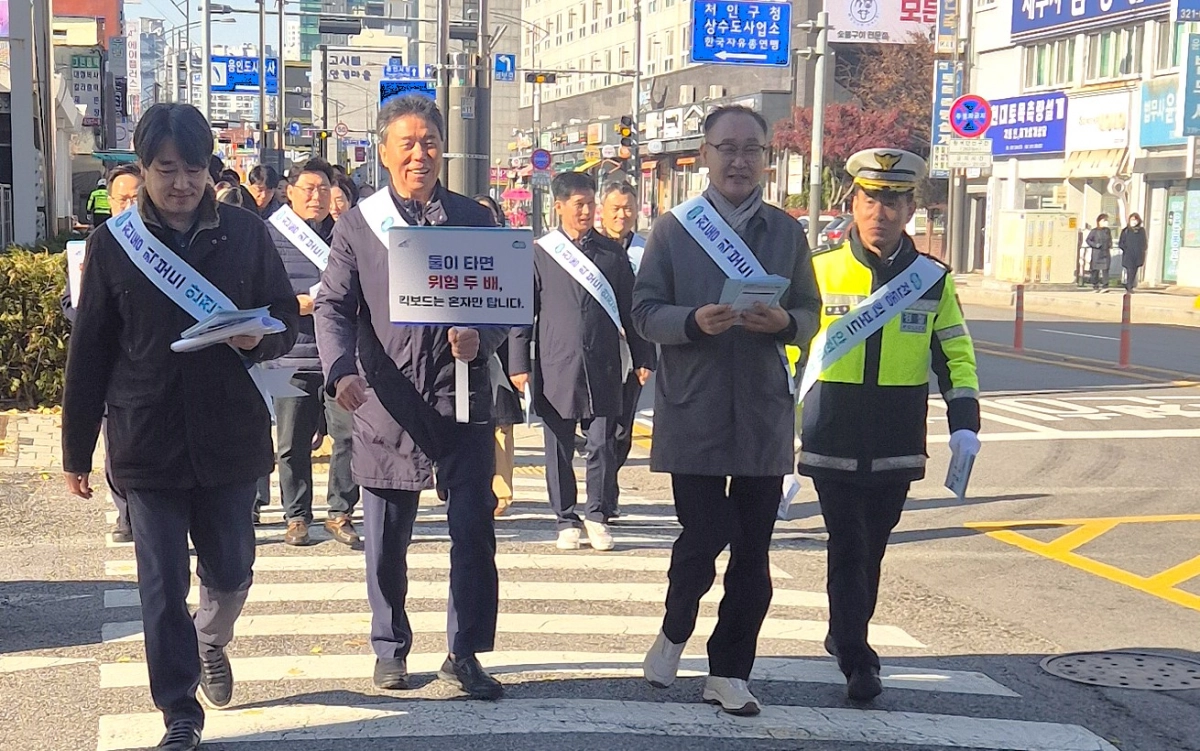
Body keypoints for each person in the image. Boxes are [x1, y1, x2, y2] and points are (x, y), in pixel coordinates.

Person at [61, 103, 299, 750]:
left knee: (233, 567)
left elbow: (286, 316)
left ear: (208, 169)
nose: (181, 183)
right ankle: (179, 711)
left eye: (193, 169)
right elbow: (89, 353)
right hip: (146, 439)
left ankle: (211, 638)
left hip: (230, 435)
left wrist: (259, 339)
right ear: (142, 168)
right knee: (161, 585)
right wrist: (76, 449)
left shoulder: (246, 235)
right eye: (166, 169)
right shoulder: (114, 246)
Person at [314, 95, 507, 700]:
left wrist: (486, 336)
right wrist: (340, 369)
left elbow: (510, 303)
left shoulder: (476, 219)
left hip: (464, 401)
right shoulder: (359, 224)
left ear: (443, 149)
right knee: (385, 539)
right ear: (384, 150)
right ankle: (390, 647)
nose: (420, 154)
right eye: (408, 143)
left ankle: (465, 653)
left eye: (430, 143)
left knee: (474, 533)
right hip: (387, 402)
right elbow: (332, 306)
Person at [633, 105, 822, 716]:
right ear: (705, 155)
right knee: (704, 532)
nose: (739, 160)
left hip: (763, 413)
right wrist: (691, 321)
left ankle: (730, 669)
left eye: (751, 149)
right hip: (695, 408)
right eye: (726, 148)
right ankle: (674, 626)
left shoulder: (786, 232)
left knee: (754, 550)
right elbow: (643, 311)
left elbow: (812, 312)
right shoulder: (673, 229)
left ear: (767, 157)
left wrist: (784, 322)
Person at [798, 148, 980, 703]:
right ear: (852, 203)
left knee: (871, 546)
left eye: (894, 201)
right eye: (871, 199)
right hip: (831, 434)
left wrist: (964, 419)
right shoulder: (819, 271)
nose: (881, 211)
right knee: (848, 542)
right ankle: (858, 655)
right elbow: (788, 354)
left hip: (898, 438)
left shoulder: (932, 279)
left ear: (910, 208)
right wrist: (777, 432)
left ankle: (841, 629)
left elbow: (954, 349)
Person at [510, 172, 655, 552]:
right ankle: (565, 517)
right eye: (580, 204)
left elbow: (631, 309)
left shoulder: (611, 254)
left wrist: (644, 356)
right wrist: (518, 363)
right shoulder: (542, 253)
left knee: (603, 441)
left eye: (591, 203)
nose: (588, 211)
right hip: (557, 361)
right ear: (559, 207)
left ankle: (597, 514)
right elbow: (524, 311)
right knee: (557, 443)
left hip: (604, 361)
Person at [264, 157, 361, 548]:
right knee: (291, 442)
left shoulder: (346, 234)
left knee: (349, 435)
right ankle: (297, 516)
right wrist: (295, 303)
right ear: (290, 193)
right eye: (308, 189)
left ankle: (340, 512)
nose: (317, 197)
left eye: (324, 189)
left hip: (337, 355)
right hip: (288, 355)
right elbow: (259, 291)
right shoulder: (270, 236)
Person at [61, 163, 145, 543]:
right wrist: (90, 315)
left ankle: (140, 511)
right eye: (121, 198)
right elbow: (70, 300)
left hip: (143, 368)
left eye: (135, 197)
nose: (128, 205)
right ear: (109, 202)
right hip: (108, 366)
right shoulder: (98, 244)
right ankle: (126, 512)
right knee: (115, 443)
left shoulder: (160, 245)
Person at [597, 181, 655, 520]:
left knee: (622, 429)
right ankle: (600, 494)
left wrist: (645, 356)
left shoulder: (647, 251)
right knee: (598, 429)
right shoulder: (591, 249)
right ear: (602, 210)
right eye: (615, 208)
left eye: (628, 208)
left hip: (633, 350)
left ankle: (608, 489)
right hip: (598, 352)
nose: (622, 214)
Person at [473, 193, 525, 517]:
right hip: (462, 352)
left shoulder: (511, 256)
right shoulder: (454, 254)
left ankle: (502, 491)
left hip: (500, 351)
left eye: (487, 216)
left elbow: (520, 314)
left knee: (502, 424)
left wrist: (519, 363)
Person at [1119, 213, 1147, 293]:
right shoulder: (1126, 230)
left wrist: (1143, 249)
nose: (1134, 222)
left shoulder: (1141, 231)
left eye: (1136, 220)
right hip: (1128, 254)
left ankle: (1130, 285)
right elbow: (1121, 242)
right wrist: (1125, 248)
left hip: (1138, 254)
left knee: (1134, 270)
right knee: (1129, 270)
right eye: (1132, 220)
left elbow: (1144, 242)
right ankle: (1129, 286)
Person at [1085, 214, 1113, 292]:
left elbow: (1109, 239)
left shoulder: (1107, 231)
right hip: (1097, 253)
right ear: (1099, 221)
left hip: (1105, 252)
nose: (1106, 222)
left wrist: (1110, 244)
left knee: (1105, 269)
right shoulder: (1094, 231)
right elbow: (1088, 240)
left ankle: (1105, 286)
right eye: (1104, 221)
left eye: (1106, 221)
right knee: (1095, 270)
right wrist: (1095, 245)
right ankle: (1095, 285)